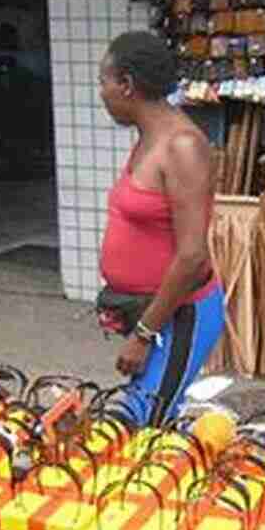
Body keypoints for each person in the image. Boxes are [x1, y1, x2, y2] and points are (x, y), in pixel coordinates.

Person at [96, 31, 225, 426]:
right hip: (154, 315)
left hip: (181, 316)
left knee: (147, 422)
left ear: (127, 85)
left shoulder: (182, 146)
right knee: (148, 416)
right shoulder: (148, 137)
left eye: (104, 82)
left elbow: (192, 256)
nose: (101, 93)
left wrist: (143, 334)